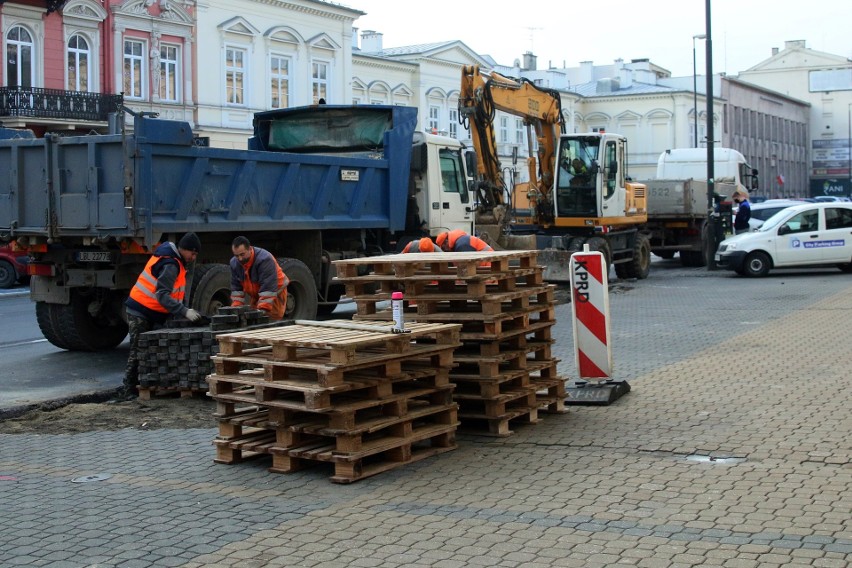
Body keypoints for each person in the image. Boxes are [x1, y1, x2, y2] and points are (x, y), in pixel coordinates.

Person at [124, 232, 203, 395]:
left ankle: (149, 384)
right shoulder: (170, 264)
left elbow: (177, 293)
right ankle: (128, 390)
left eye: (196, 254)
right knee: (138, 351)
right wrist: (184, 311)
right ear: (183, 249)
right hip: (140, 310)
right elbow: (162, 295)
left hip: (153, 311)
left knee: (153, 350)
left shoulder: (176, 260)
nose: (193, 257)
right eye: (192, 253)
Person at [229, 236, 290, 320]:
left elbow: (268, 288)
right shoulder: (234, 263)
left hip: (274, 292)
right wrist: (236, 309)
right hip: (257, 294)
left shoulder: (264, 260)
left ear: (250, 249)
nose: (240, 258)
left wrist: (262, 310)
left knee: (271, 321)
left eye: (242, 254)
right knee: (254, 322)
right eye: (236, 255)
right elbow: (236, 289)